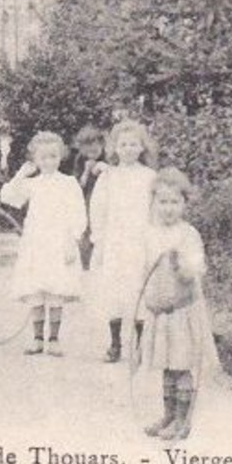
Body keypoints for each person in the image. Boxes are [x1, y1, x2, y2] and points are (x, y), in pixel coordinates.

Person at [135, 167, 220, 441]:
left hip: (182, 310)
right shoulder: (149, 233)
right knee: (166, 365)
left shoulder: (188, 234)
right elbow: (144, 268)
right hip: (161, 310)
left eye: (174, 202)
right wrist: (145, 296)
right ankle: (168, 414)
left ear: (184, 203)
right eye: (162, 201)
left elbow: (195, 268)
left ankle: (184, 419)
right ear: (153, 203)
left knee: (181, 364)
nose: (168, 208)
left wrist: (181, 264)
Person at [0, 132, 86, 357]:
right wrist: (20, 174)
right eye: (44, 158)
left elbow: (78, 214)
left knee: (56, 290)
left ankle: (54, 338)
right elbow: (8, 197)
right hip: (36, 242)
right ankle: (37, 338)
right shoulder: (32, 184)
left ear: (61, 157)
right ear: (36, 160)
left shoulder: (68, 183)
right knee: (36, 289)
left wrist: (72, 240)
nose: (49, 162)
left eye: (53, 156)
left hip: (59, 241)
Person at [88, 119, 159, 363]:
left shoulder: (150, 177)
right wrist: (99, 238)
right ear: (115, 148)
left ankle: (140, 345)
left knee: (139, 289)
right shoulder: (109, 176)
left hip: (140, 241)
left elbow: (155, 209)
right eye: (123, 144)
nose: (128, 149)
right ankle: (115, 343)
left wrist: (155, 239)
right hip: (115, 241)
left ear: (142, 147)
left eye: (133, 144)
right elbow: (98, 209)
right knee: (114, 291)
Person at [63, 124, 107, 270]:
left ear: (102, 144)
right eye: (86, 147)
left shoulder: (108, 159)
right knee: (86, 229)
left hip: (106, 200)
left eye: (95, 145)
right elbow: (77, 186)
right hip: (87, 198)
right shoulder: (80, 160)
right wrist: (87, 171)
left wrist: (103, 169)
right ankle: (85, 264)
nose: (91, 150)